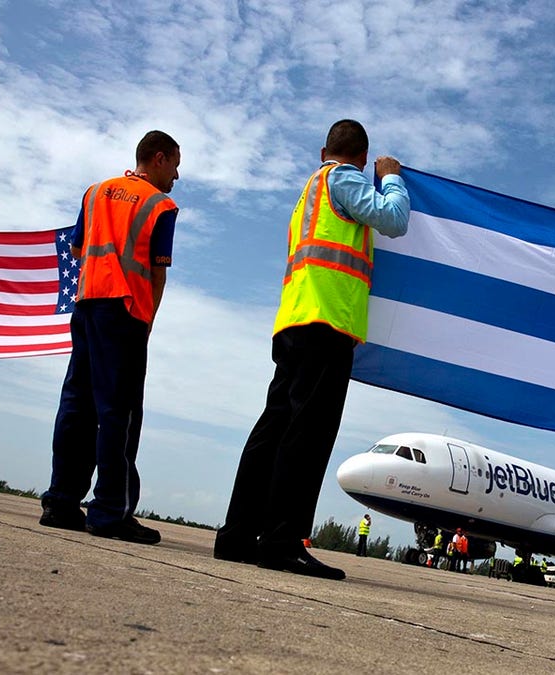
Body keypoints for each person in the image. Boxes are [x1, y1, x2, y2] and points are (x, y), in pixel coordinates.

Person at [213, 120, 410, 580]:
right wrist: (392, 177)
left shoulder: (308, 193)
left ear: (324, 149)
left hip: (294, 320)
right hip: (327, 320)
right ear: (361, 157)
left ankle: (237, 534)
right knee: (309, 434)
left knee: (273, 428)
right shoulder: (343, 179)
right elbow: (394, 220)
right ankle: (281, 541)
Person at [39, 130, 181, 545]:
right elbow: (157, 271)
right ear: (158, 159)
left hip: (86, 303)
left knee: (77, 403)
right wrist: (148, 321)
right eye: (174, 165)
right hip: (126, 313)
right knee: (119, 413)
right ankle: (109, 511)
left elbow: (78, 249)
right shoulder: (161, 205)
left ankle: (61, 501)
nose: (176, 176)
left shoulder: (95, 192)